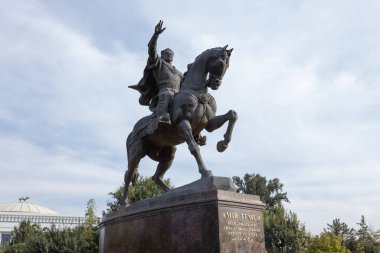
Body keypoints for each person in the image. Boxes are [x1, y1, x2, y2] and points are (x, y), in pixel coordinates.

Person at [130, 20, 183, 125]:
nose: (170, 55)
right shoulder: (159, 63)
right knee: (167, 94)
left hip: (178, 94)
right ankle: (162, 115)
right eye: (167, 53)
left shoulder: (178, 73)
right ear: (162, 55)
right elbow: (151, 49)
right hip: (164, 91)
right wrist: (156, 35)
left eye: (171, 54)